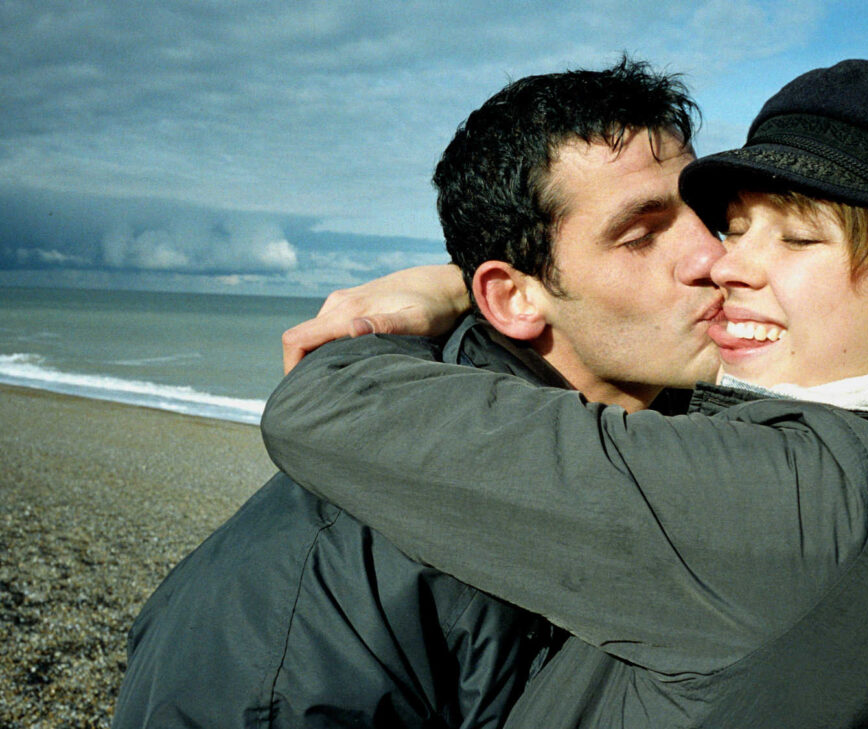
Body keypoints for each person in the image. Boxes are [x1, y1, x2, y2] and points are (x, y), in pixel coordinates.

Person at [261, 59, 868, 728]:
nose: (721, 262)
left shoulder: (811, 503)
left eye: (798, 236)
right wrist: (486, 284)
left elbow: (327, 402)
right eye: (734, 226)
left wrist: (446, 291)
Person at [112, 58, 724, 728]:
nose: (716, 257)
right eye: (641, 235)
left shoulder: (684, 434)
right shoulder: (322, 608)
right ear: (512, 297)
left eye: (710, 216)